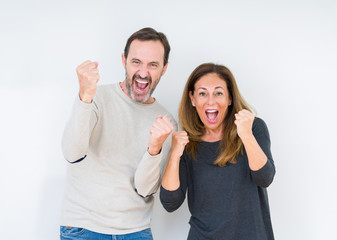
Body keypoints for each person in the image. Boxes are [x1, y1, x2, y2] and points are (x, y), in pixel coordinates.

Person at [60, 27, 177, 240]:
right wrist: (85, 97)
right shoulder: (96, 97)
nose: (143, 72)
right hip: (83, 229)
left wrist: (154, 148)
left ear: (164, 68)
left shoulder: (166, 122)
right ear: (124, 60)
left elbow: (144, 189)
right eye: (136, 62)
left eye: (153, 65)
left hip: (136, 231)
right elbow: (72, 153)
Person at [160, 63, 276, 239]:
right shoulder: (186, 144)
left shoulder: (253, 128)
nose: (211, 101)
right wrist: (175, 155)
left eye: (218, 93)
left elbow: (264, 177)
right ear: (192, 99)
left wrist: (246, 136)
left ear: (230, 98)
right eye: (202, 93)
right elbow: (170, 202)